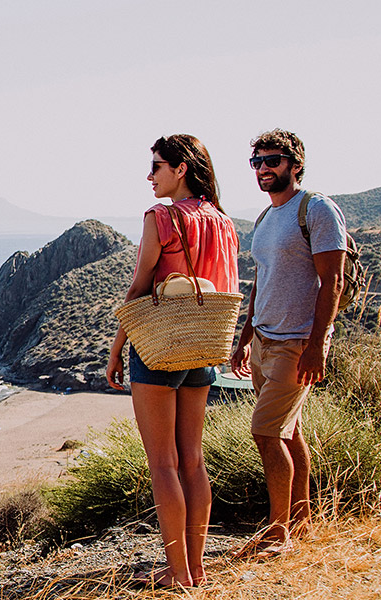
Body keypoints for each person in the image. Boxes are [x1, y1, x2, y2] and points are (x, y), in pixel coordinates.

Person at [106, 134, 239, 587]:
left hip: (161, 346)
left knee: (162, 464)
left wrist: (117, 345)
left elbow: (141, 284)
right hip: (202, 343)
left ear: (181, 169)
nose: (150, 175)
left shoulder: (160, 216)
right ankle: (197, 567)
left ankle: (178, 573)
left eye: (157, 166)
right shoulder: (221, 219)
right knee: (193, 461)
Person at [228, 129, 347, 559]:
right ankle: (301, 520)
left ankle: (278, 534)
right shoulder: (265, 217)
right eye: (257, 162)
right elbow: (263, 278)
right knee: (288, 431)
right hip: (263, 339)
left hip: (296, 342)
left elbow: (332, 280)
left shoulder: (315, 209)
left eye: (272, 160)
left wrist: (318, 346)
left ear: (295, 164)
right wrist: (244, 337)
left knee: (265, 432)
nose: (263, 169)